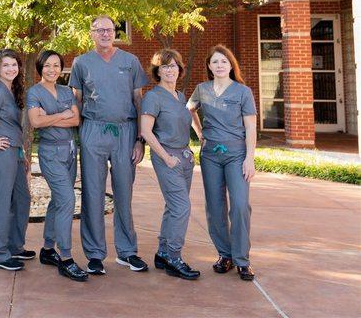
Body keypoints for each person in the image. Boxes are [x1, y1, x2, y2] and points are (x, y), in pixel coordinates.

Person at [69, 15, 149, 275]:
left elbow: (139, 101)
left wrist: (140, 139)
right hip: (93, 129)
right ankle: (94, 254)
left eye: (109, 29)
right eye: (99, 29)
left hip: (126, 132)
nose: (105, 33)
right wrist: (80, 137)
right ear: (91, 33)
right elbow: (76, 103)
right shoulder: (81, 63)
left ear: (115, 32)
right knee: (92, 193)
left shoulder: (130, 62)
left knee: (124, 193)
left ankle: (127, 252)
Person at [188, 44, 257, 281]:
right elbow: (189, 110)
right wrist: (199, 132)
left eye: (224, 61)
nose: (219, 65)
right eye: (215, 62)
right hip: (210, 155)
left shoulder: (242, 92)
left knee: (239, 204)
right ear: (209, 66)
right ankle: (224, 255)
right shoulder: (202, 89)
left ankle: (242, 259)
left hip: (236, 154)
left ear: (231, 65)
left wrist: (250, 158)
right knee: (215, 206)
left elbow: (250, 126)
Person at [27, 50, 88, 282]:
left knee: (57, 200)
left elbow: (76, 119)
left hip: (71, 152)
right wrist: (62, 114)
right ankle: (66, 257)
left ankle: (47, 249)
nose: (52, 70)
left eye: (56, 65)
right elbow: (35, 122)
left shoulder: (66, 91)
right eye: (47, 65)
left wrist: (51, 117)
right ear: (40, 68)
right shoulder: (34, 92)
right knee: (67, 200)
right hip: (50, 153)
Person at [140, 49, 201, 280]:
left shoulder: (181, 96)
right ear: (157, 71)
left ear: (180, 69)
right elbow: (146, 131)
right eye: (165, 66)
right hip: (167, 158)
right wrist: (166, 157)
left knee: (173, 206)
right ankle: (174, 257)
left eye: (174, 66)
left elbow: (189, 120)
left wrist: (200, 137)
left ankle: (163, 253)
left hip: (184, 157)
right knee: (182, 207)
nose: (170, 70)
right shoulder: (152, 97)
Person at [0, 49, 34, 271]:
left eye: (14, 64)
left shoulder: (11, 90)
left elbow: (12, 126)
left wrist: (22, 153)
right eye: (6, 65)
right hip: (1, 154)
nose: (11, 69)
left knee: (22, 199)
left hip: (14, 152)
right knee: (1, 204)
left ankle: (14, 246)